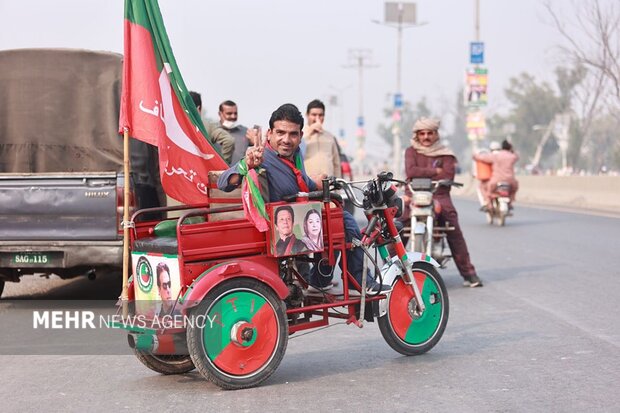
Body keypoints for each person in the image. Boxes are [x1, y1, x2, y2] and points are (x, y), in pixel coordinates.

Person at [217, 103, 389, 292]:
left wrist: (316, 182)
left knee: (336, 220)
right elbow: (223, 183)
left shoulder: (294, 155)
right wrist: (246, 165)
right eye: (280, 133)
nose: (286, 140)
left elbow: (299, 182)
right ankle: (358, 279)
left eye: (293, 134)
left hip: (296, 216)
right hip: (280, 226)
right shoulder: (261, 157)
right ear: (269, 134)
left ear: (300, 136)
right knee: (345, 221)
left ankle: (321, 277)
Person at [404, 117, 483, 288]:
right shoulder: (411, 151)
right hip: (413, 194)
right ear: (417, 135)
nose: (426, 137)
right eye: (422, 133)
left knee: (453, 227)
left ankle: (469, 273)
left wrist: (424, 174)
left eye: (429, 133)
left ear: (436, 135)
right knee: (395, 226)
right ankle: (391, 273)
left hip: (439, 194)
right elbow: (410, 172)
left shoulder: (446, 154)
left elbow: (447, 176)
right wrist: (434, 171)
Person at [189, 91, 235, 163]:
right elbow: (229, 140)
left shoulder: (176, 126)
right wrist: (223, 167)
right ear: (198, 109)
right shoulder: (208, 127)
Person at [473, 139, 519, 209]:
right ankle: (510, 202)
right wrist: (512, 150)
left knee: (488, 191)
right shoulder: (512, 156)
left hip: (496, 180)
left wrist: (475, 156)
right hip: (510, 181)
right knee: (514, 188)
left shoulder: (496, 156)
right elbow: (517, 156)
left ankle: (489, 205)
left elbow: (483, 158)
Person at [302, 99, 342, 179]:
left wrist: (338, 186)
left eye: (320, 115)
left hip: (328, 185)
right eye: (314, 115)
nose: (317, 118)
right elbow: (295, 152)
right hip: (308, 184)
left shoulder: (330, 137)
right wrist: (309, 133)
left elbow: (336, 164)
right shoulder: (300, 134)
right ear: (307, 115)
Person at [215, 100, 252, 165]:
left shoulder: (245, 132)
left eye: (235, 113)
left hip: (239, 173)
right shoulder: (212, 131)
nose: (233, 116)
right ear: (220, 114)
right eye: (229, 113)